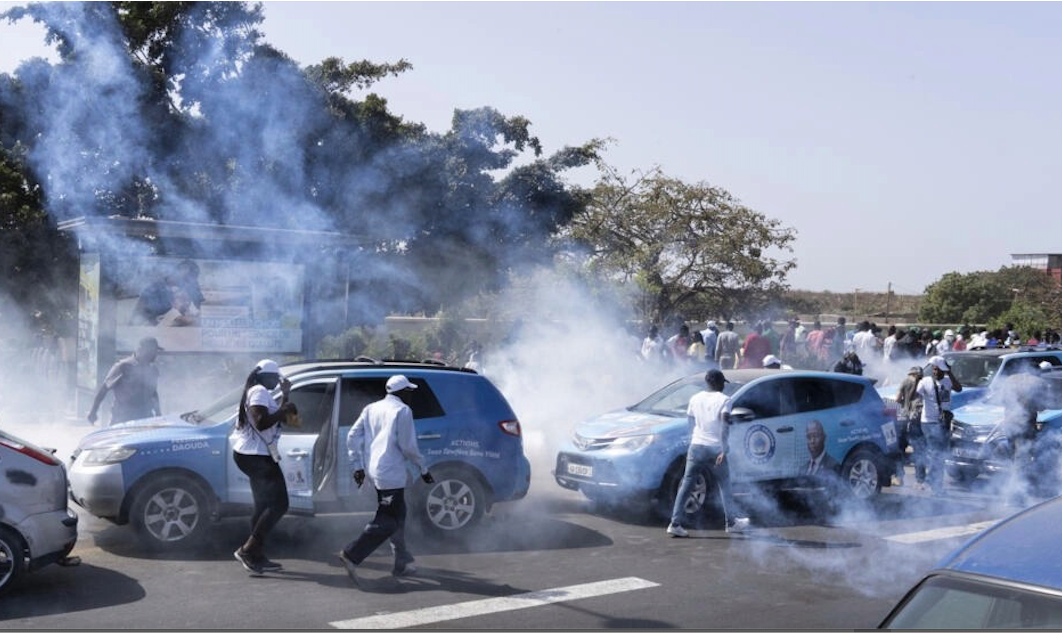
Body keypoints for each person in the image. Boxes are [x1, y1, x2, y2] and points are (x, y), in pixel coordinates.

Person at [340, 375, 435, 585]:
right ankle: (352, 554)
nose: (410, 395)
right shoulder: (402, 411)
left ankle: (402, 561)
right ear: (402, 392)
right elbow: (408, 446)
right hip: (391, 473)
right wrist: (423, 468)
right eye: (409, 391)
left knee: (399, 514)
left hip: (375, 469)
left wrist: (357, 466)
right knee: (388, 519)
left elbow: (352, 437)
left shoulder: (371, 408)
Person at [231, 359, 297, 575]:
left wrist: (285, 397)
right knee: (279, 504)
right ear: (265, 376)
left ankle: (256, 553)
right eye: (275, 379)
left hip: (254, 454)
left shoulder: (257, 390)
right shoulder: (259, 390)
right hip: (256, 456)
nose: (276, 383)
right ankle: (248, 550)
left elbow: (275, 417)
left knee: (262, 505)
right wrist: (284, 409)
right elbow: (261, 421)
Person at [666, 369, 750, 537]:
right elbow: (725, 425)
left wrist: (693, 440)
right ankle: (731, 522)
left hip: (696, 446)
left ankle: (674, 523)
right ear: (718, 383)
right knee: (725, 485)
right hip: (714, 448)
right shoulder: (725, 400)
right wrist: (724, 448)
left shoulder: (695, 398)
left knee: (686, 484)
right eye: (722, 383)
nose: (723, 387)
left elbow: (690, 421)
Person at [88, 337, 163, 426]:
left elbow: (153, 393)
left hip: (145, 419)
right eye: (153, 350)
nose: (155, 354)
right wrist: (93, 411)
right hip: (123, 420)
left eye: (156, 351)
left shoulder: (153, 370)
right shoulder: (124, 366)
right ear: (142, 350)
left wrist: (158, 414)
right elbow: (104, 389)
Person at [916, 356, 963, 495]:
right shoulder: (925, 381)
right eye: (934, 369)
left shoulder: (948, 381)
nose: (935, 372)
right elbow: (915, 395)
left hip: (943, 423)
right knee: (938, 453)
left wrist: (949, 372)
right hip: (928, 422)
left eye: (938, 369)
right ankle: (932, 481)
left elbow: (959, 388)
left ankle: (937, 486)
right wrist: (916, 381)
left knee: (940, 454)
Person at [895, 366, 925, 487]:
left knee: (900, 450)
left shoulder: (905, 381)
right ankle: (920, 481)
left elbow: (897, 399)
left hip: (904, 419)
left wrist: (904, 402)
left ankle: (899, 477)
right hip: (917, 421)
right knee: (919, 451)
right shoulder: (923, 383)